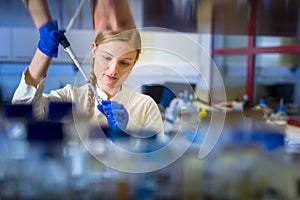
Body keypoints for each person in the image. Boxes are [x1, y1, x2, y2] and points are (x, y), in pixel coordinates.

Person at [12, 20, 164, 136]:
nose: (113, 70)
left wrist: (127, 133)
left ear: (135, 62)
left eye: (124, 63)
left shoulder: (145, 107)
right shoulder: (69, 98)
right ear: (94, 50)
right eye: (106, 58)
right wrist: (43, 52)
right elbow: (21, 116)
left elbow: (158, 161)